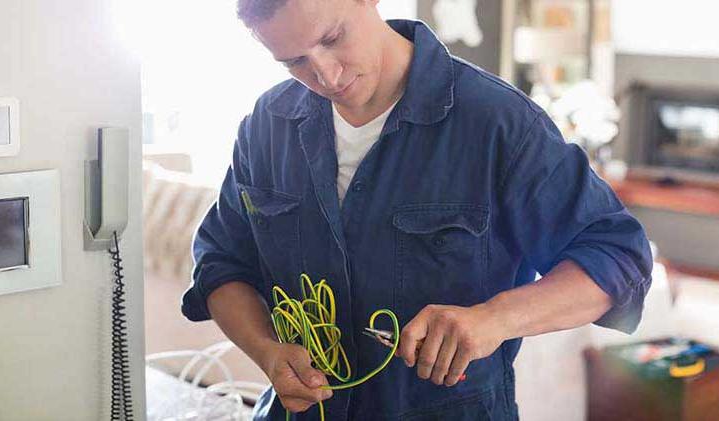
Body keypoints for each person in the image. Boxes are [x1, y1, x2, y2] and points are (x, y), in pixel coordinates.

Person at [181, 0, 653, 419]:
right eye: (295, 61)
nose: (325, 75)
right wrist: (265, 351)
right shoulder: (266, 125)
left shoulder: (498, 122)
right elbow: (222, 262)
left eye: (331, 38)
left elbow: (619, 258)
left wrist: (495, 318)